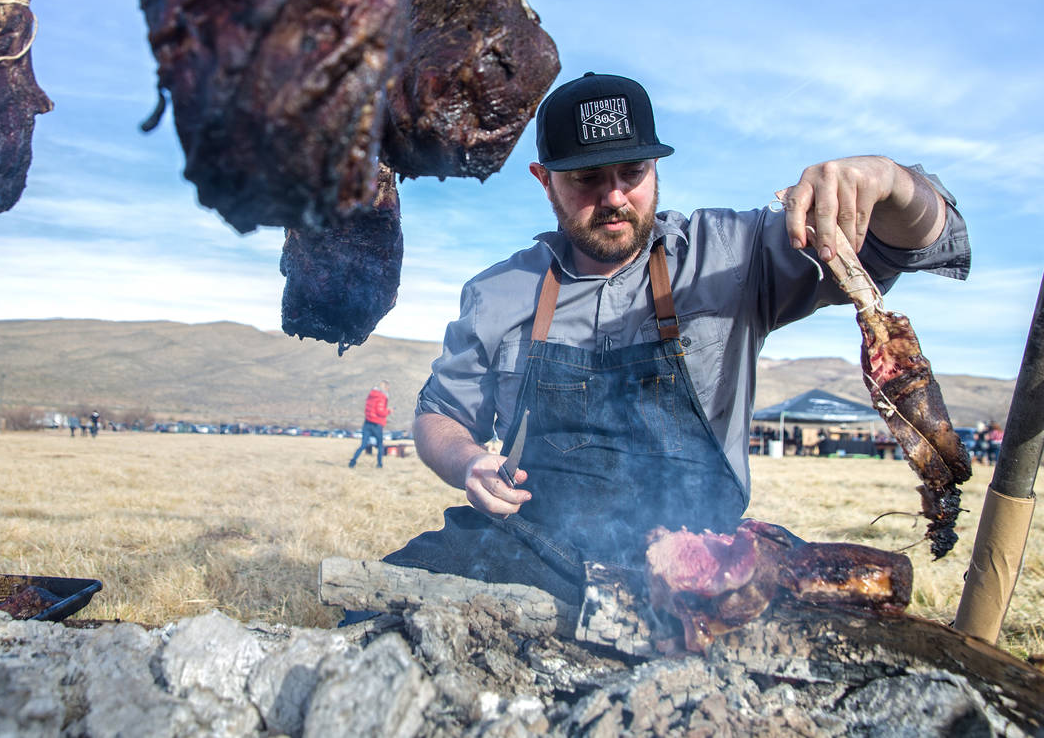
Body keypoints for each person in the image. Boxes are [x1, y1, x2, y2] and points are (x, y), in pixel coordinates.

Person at [383, 71, 971, 605]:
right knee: (384, 605)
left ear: (656, 168)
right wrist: (467, 464)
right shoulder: (498, 292)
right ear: (544, 181)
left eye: (632, 174)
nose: (614, 197)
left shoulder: (734, 257)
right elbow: (440, 414)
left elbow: (918, 241)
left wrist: (890, 181)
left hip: (697, 561)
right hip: (530, 547)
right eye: (587, 179)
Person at [349, 381, 391, 469]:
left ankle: (353, 461)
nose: (388, 390)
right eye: (388, 388)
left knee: (363, 444)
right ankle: (379, 464)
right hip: (376, 424)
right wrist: (389, 411)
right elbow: (380, 411)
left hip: (367, 422)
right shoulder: (381, 397)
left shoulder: (371, 395)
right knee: (380, 445)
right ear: (385, 388)